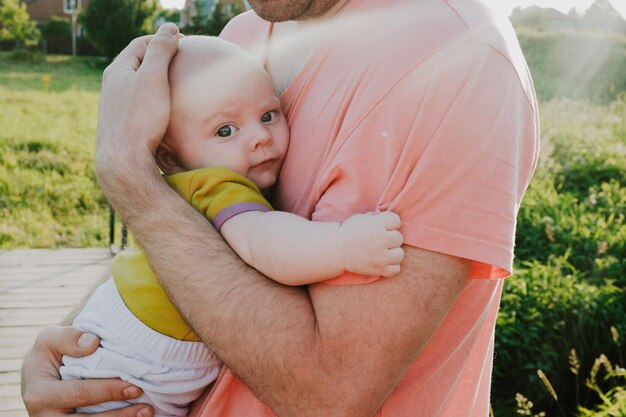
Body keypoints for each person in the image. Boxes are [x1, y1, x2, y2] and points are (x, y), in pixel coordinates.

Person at [21, 0, 540, 416]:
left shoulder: (454, 56)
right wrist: (74, 353)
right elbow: (182, 238)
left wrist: (126, 174)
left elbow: (329, 396)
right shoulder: (240, 38)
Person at [59, 35, 404, 417]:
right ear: (170, 159)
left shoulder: (177, 188)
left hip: (118, 356)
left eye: (269, 115)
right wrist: (344, 246)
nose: (259, 137)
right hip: (131, 368)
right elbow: (266, 244)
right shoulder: (214, 186)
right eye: (226, 131)